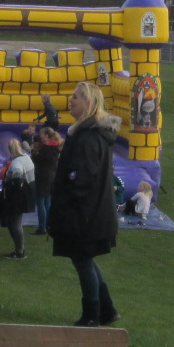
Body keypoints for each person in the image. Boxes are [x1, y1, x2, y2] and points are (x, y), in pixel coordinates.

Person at [48, 82, 119, 327]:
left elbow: (82, 177)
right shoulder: (92, 134)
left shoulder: (88, 137)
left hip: (85, 213)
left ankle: (92, 314)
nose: (71, 100)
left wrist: (67, 196)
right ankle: (106, 308)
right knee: (85, 258)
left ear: (88, 103)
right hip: (93, 211)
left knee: (82, 259)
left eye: (76, 97)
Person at [0, 139, 35, 260]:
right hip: (28, 192)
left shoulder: (16, 163)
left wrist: (12, 183)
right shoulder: (27, 158)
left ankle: (20, 251)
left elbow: (17, 175)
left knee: (15, 223)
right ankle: (19, 249)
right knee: (14, 222)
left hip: (18, 196)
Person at [30, 126, 60, 235]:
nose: (41, 136)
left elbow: (37, 160)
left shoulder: (46, 149)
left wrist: (34, 153)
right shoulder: (55, 147)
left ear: (46, 136)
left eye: (42, 134)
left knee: (40, 201)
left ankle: (42, 227)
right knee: (48, 201)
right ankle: (48, 225)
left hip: (43, 176)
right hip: (52, 175)